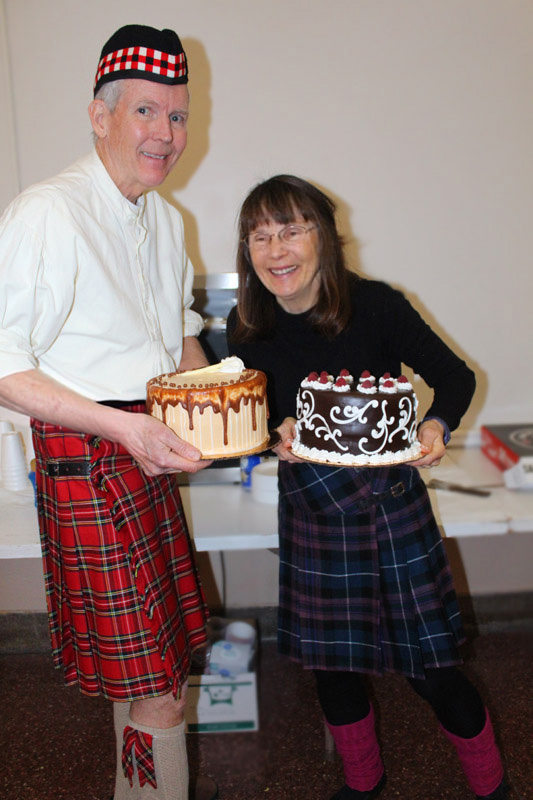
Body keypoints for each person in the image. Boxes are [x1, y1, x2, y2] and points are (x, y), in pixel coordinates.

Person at [227, 174, 508, 800]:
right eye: (260, 237)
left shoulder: (376, 305)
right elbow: (253, 417)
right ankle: (363, 783)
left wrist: (435, 425)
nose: (276, 251)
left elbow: (455, 377)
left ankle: (492, 786)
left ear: (323, 236)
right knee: (332, 671)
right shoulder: (245, 327)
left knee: (434, 672)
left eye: (291, 231)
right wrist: (271, 432)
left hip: (391, 511)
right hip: (313, 513)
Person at [0, 24, 218, 800]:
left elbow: (180, 336)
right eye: (145, 111)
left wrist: (229, 408)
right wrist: (125, 427)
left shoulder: (167, 220)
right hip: (88, 456)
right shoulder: (48, 211)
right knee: (160, 686)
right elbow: (3, 364)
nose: (165, 133)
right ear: (100, 116)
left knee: (149, 673)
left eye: (178, 116)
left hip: (144, 447)